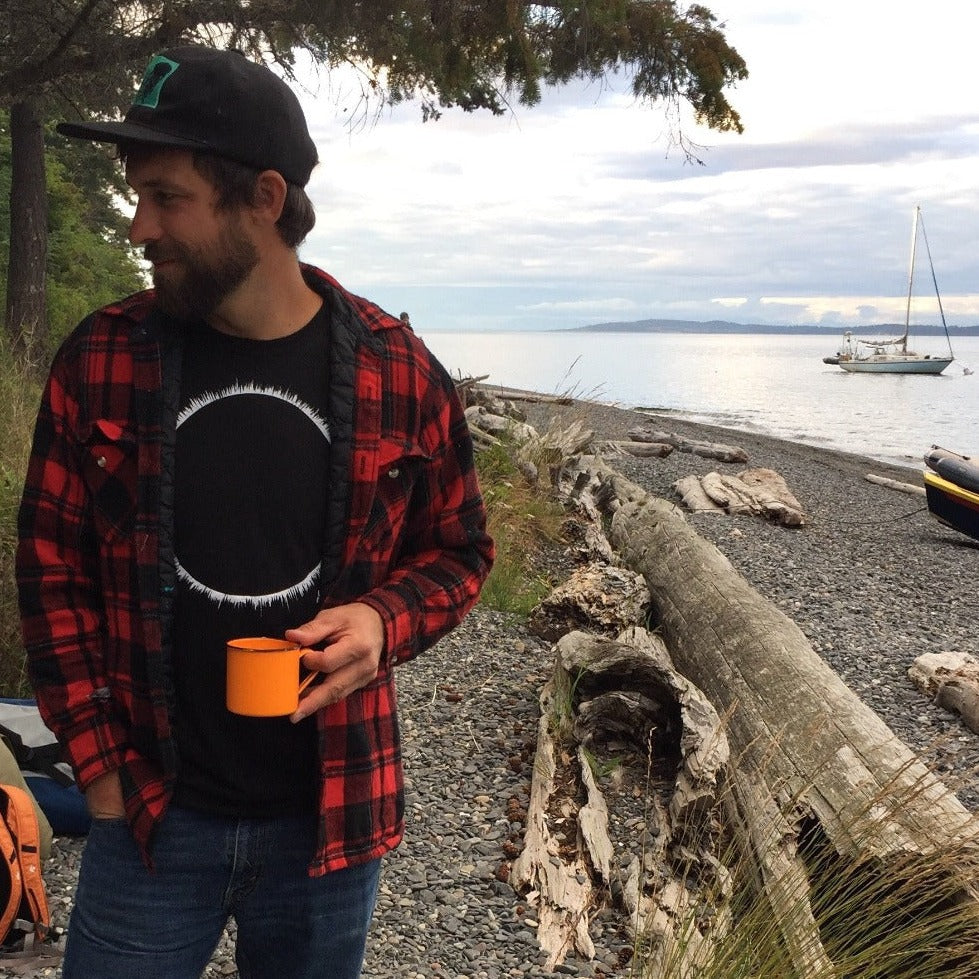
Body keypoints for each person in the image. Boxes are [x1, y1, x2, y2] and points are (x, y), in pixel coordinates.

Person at [16, 45, 493, 979]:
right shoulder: (104, 357)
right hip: (150, 818)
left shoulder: (398, 372)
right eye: (135, 195)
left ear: (264, 199)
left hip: (328, 820)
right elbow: (50, 568)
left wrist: (380, 620)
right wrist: (101, 768)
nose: (139, 225)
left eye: (166, 196)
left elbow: (460, 549)